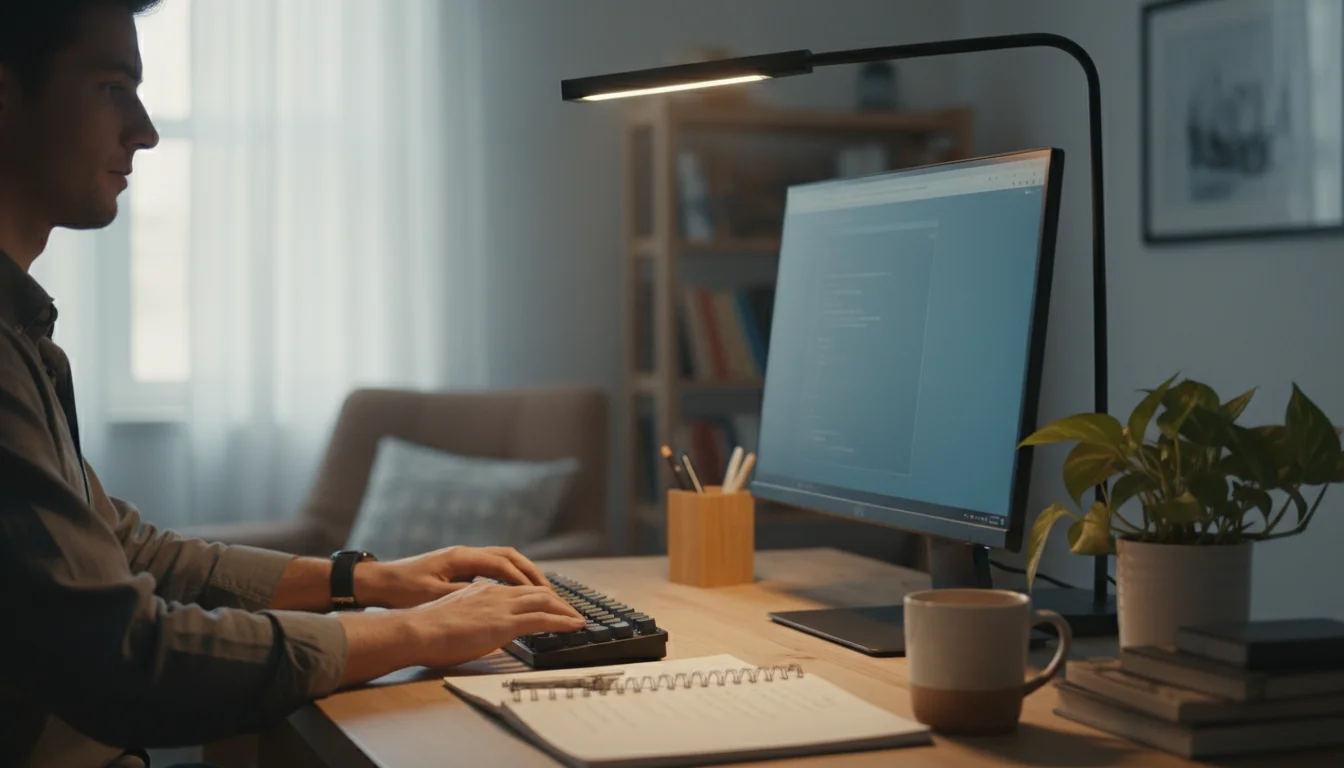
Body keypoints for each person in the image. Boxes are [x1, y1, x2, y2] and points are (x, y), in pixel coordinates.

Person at [0, 2, 588, 767]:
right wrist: (419, 631)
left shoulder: (22, 336)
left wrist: (370, 581)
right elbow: (124, 654)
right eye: (114, 86)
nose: (144, 130)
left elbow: (129, 549)